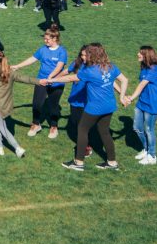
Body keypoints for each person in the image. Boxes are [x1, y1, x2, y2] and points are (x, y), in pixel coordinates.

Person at [48, 43, 128, 172]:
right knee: (105, 132)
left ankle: (78, 162)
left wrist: (52, 80)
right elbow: (124, 80)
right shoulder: (111, 66)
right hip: (109, 106)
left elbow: (71, 78)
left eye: (88, 53)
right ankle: (112, 162)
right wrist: (122, 96)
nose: (85, 56)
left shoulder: (89, 71)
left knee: (82, 129)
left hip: (95, 107)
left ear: (93, 55)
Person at [12, 26, 68, 138]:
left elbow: (59, 66)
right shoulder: (42, 49)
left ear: (55, 39)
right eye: (45, 38)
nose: (45, 41)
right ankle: (36, 124)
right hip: (41, 81)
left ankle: (53, 126)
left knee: (53, 106)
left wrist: (51, 77)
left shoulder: (62, 51)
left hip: (56, 83)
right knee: (37, 104)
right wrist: (18, 66)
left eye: (47, 39)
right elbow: (32, 59)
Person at [122, 46, 157, 165]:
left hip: (152, 104)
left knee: (149, 130)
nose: (137, 54)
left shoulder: (154, 69)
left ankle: (152, 156)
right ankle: (146, 149)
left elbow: (141, 85)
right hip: (142, 103)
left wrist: (130, 98)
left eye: (140, 53)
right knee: (137, 127)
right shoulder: (144, 68)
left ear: (147, 55)